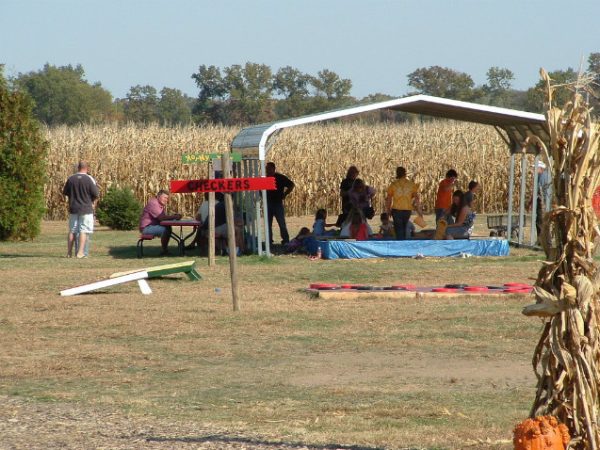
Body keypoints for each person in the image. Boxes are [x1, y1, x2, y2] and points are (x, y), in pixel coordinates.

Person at [62, 161, 100, 259]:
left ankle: (69, 253)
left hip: (73, 208)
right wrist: (90, 201)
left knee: (72, 230)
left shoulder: (71, 178)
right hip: (86, 208)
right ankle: (80, 253)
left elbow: (65, 192)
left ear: (78, 168)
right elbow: (96, 193)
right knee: (84, 230)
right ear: (86, 168)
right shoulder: (89, 179)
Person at [139, 190, 182, 255]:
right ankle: (164, 250)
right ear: (158, 196)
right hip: (146, 228)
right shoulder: (154, 204)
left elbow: (163, 217)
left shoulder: (159, 204)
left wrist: (173, 216)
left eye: (167, 198)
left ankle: (165, 250)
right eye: (165, 197)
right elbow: (162, 218)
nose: (166, 200)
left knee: (168, 227)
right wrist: (174, 217)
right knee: (165, 230)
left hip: (151, 226)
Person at [385, 167, 420, 240]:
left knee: (398, 230)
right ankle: (403, 244)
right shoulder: (411, 184)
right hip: (407, 210)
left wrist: (388, 211)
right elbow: (416, 197)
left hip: (396, 210)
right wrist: (419, 210)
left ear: (397, 173)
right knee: (404, 228)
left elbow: (389, 199)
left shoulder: (393, 184)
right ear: (405, 173)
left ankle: (400, 246)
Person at [266, 162, 294, 245]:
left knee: (281, 223)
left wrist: (285, 194)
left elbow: (291, 185)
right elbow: (260, 189)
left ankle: (285, 240)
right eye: (266, 169)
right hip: (268, 203)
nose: (267, 170)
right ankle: (269, 241)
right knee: (268, 224)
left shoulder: (280, 177)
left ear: (274, 169)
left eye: (269, 168)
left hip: (278, 203)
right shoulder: (265, 178)